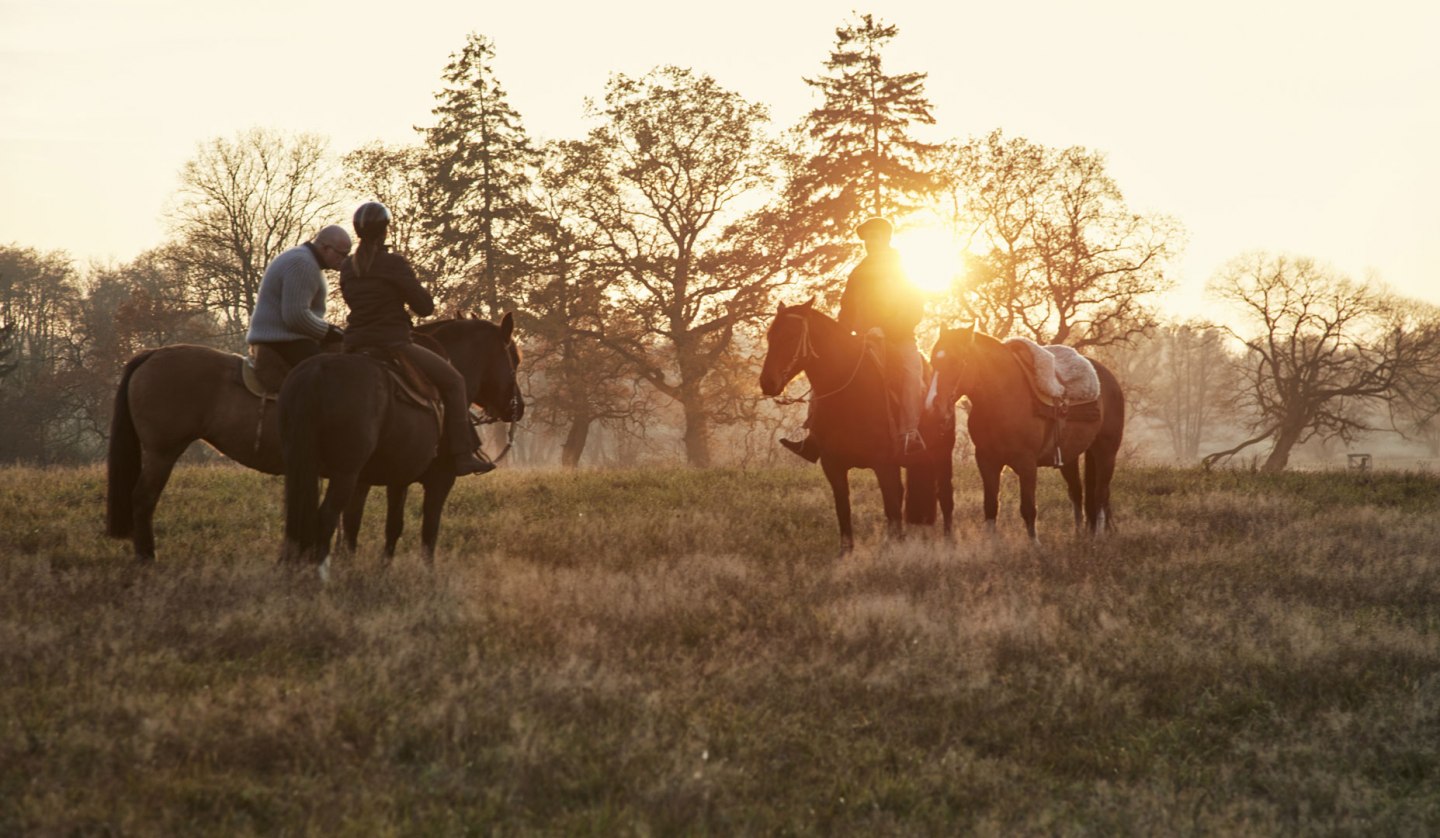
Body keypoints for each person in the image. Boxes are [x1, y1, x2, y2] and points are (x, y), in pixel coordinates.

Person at [339, 201, 494, 477]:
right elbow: (424, 307)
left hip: (353, 344)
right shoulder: (393, 263)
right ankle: (462, 455)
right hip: (392, 343)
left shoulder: (348, 267)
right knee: (455, 382)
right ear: (384, 231)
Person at [781, 216, 927, 462]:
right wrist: (841, 335)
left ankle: (909, 434)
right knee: (826, 372)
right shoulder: (858, 273)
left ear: (887, 238)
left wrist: (886, 330)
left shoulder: (903, 269)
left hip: (899, 339)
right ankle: (814, 437)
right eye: (867, 237)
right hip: (862, 339)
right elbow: (847, 307)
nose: (870, 241)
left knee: (912, 374)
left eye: (876, 236)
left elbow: (914, 308)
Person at [246, 225, 351, 368]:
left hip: (285, 339)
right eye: (342, 254)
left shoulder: (304, 259)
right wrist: (329, 331)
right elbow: (296, 316)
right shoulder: (303, 264)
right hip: (281, 342)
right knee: (329, 375)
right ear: (325, 248)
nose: (343, 260)